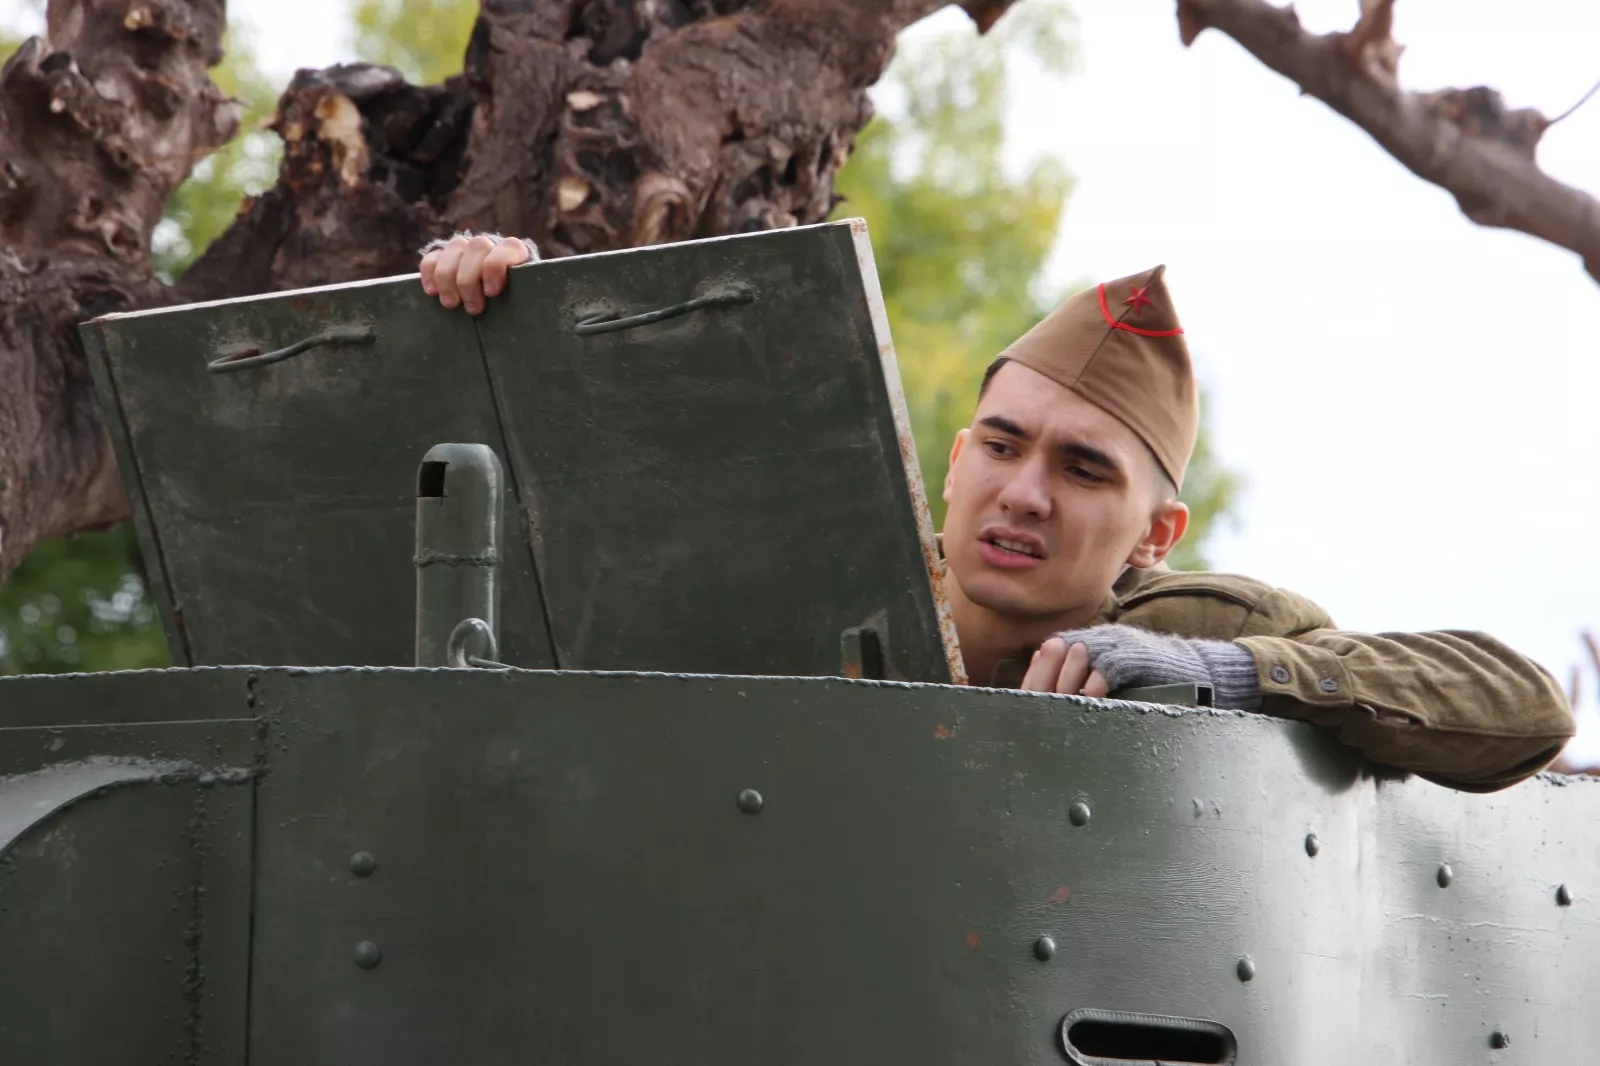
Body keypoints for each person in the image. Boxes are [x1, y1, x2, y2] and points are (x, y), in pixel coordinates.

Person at [416, 232, 1576, 792]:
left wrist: (1232, 677)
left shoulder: (1199, 624)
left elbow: (1521, 707)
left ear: (1153, 535)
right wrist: (511, 306)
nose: (1024, 492)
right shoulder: (809, 577)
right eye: (1005, 448)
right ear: (957, 460)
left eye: (1082, 470)